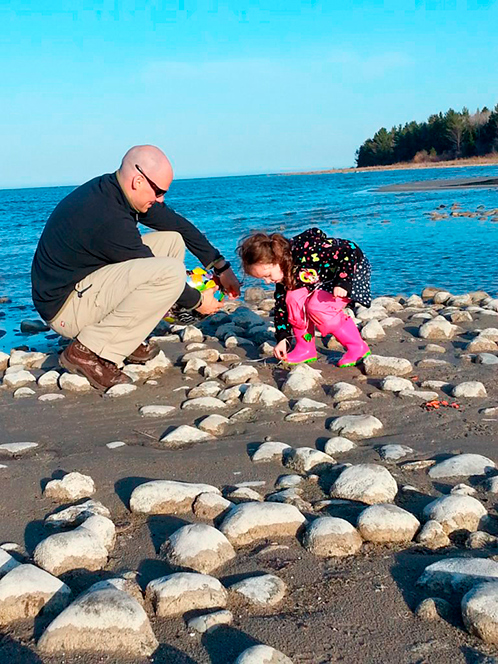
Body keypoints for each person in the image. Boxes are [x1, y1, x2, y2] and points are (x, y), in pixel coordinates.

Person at [31, 145, 240, 389]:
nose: (161, 199)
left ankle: (125, 337)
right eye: (159, 191)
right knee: (169, 273)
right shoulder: (108, 217)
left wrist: (220, 265)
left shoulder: (115, 191)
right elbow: (158, 271)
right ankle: (86, 352)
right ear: (138, 180)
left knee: (172, 240)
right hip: (65, 309)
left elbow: (179, 226)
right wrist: (198, 302)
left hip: (85, 284)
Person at [238, 227, 371, 366]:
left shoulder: (308, 251)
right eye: (263, 279)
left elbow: (349, 250)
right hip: (320, 278)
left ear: (277, 260)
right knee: (292, 300)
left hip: (350, 271)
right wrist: (283, 339)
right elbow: (281, 309)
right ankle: (305, 348)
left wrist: (343, 281)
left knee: (317, 307)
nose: (267, 281)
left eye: (268, 276)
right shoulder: (285, 274)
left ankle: (357, 347)